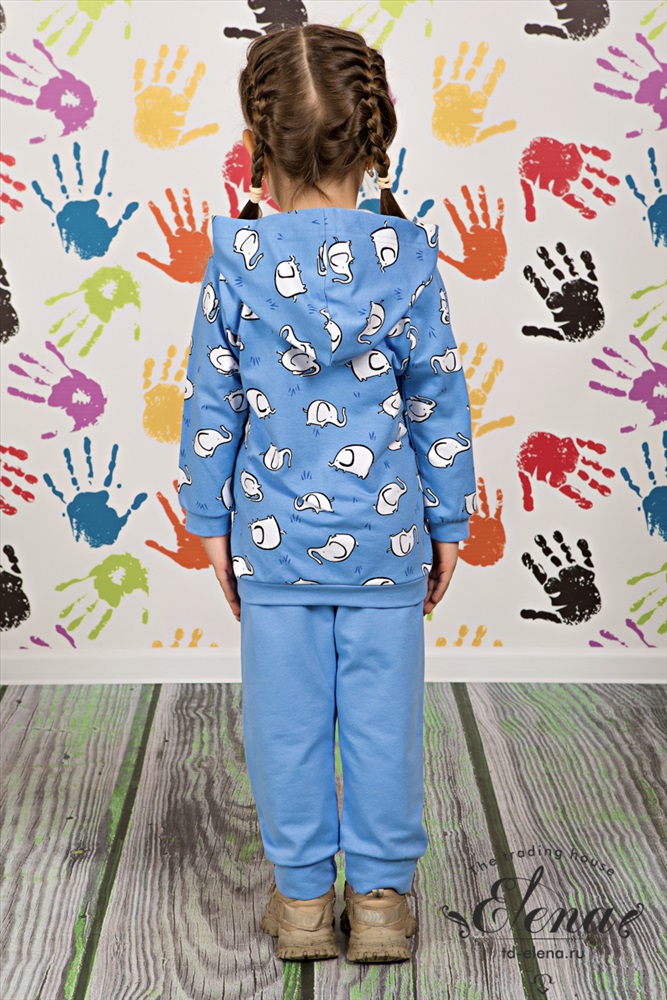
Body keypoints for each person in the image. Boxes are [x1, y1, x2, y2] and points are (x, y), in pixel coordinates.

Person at [177, 22, 477, 964]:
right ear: (376, 137)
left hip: (271, 545)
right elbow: (437, 401)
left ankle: (304, 905)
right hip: (388, 545)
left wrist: (210, 521)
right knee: (384, 730)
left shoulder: (235, 260)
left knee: (286, 730)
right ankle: (380, 905)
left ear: (255, 147)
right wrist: (447, 520)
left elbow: (211, 402)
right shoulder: (410, 260)